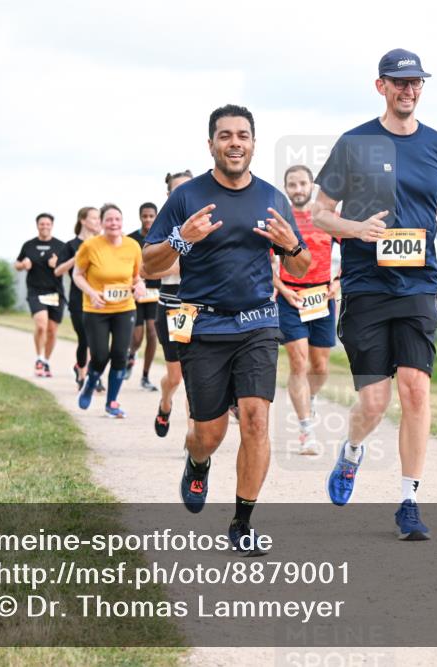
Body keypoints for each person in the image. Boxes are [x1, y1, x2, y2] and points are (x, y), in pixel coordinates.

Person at [312, 49, 437, 541]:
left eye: (416, 82)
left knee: (416, 389)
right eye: (399, 82)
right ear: (380, 86)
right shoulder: (354, 143)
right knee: (375, 402)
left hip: (419, 283)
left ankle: (409, 501)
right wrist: (356, 229)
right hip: (366, 285)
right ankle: (352, 453)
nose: (409, 90)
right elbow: (320, 213)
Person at [143, 104, 310, 554]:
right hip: (204, 324)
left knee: (256, 420)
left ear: (254, 143)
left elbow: (302, 263)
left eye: (242, 135)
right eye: (225, 135)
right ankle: (197, 463)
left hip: (258, 322)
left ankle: (243, 521)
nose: (234, 142)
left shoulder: (274, 198)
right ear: (211, 144)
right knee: (209, 433)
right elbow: (148, 262)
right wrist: (182, 239)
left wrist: (290, 244)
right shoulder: (186, 197)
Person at [273, 165, 340, 455]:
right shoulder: (280, 219)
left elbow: (353, 251)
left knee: (320, 367)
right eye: (292, 185)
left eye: (302, 184)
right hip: (291, 298)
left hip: (322, 297)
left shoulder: (327, 217)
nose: (297, 189)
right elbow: (264, 262)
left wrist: (339, 281)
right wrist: (283, 289)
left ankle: (309, 400)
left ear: (312, 185)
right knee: (298, 364)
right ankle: (305, 430)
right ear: (286, 188)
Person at [73, 203, 145, 418]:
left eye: (117, 219)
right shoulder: (90, 246)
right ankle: (90, 384)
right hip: (96, 309)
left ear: (122, 222)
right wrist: (92, 293)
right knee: (100, 356)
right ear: (102, 223)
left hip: (125, 308)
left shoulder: (132, 246)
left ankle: (112, 401)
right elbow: (77, 274)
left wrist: (139, 285)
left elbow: (136, 276)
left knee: (120, 355)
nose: (114, 223)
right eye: (109, 220)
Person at [149, 170, 193, 438]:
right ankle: (165, 403)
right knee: (176, 378)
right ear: (169, 195)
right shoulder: (163, 226)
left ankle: (193, 437)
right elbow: (148, 270)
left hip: (200, 307)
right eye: (178, 191)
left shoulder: (209, 222)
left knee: (196, 379)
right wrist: (173, 264)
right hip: (173, 307)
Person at [55, 206, 103, 391]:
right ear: (83, 220)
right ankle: (82, 373)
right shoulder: (71, 245)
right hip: (78, 299)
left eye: (99, 218)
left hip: (98, 299)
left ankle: (94, 375)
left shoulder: (101, 244)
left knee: (97, 341)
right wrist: (76, 259)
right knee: (85, 339)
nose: (97, 222)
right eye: (94, 218)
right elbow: (58, 270)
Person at [15, 213, 67, 377]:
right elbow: (17, 263)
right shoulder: (29, 245)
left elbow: (70, 268)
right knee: (41, 325)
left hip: (55, 292)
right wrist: (23, 265)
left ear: (52, 225)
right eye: (41, 224)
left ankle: (46, 361)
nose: (44, 227)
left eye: (47, 224)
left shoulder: (61, 246)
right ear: (37, 225)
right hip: (35, 291)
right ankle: (38, 357)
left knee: (52, 330)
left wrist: (57, 264)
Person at [126, 202, 162, 391]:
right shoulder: (131, 239)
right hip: (136, 293)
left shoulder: (161, 236)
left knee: (152, 332)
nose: (148, 219)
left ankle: (145, 376)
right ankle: (131, 354)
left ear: (156, 217)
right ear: (140, 217)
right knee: (138, 336)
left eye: (151, 216)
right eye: (145, 216)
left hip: (156, 293)